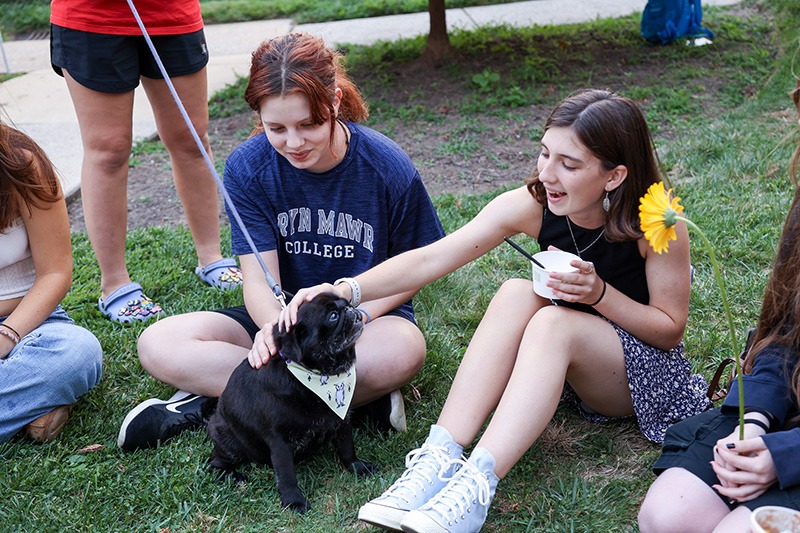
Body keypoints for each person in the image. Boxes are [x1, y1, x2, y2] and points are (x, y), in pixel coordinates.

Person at [281, 88, 712, 532]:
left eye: (569, 163)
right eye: (545, 153)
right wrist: (344, 289)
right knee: (514, 292)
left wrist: (599, 293)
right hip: (569, 361)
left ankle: (476, 485)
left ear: (614, 176)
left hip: (640, 376)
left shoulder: (659, 223)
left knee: (552, 322)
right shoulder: (535, 205)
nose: (547, 173)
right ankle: (439, 457)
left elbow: (669, 330)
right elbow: (433, 258)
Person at [114, 33, 445, 452]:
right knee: (158, 343)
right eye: (277, 128)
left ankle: (229, 401)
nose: (294, 142)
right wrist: (273, 329)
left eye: (309, 124)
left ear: (336, 102)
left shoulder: (387, 166)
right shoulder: (247, 168)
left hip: (365, 322)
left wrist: (353, 319)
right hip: (286, 323)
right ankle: (351, 403)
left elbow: (414, 269)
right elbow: (255, 278)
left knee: (404, 351)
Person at [638, 80, 800, 533]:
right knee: (666, 517)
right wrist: (756, 420)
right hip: (791, 406)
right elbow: (785, 335)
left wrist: (788, 456)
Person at [49, 0, 242, 324]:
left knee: (191, 138)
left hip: (172, 14)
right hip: (92, 18)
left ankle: (212, 257)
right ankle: (115, 284)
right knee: (108, 151)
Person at [0, 119, 103, 444]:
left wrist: (6, 336)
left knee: (77, 354)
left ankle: (27, 399)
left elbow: (55, 272)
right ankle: (32, 407)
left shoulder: (21, 163)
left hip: (26, 323)